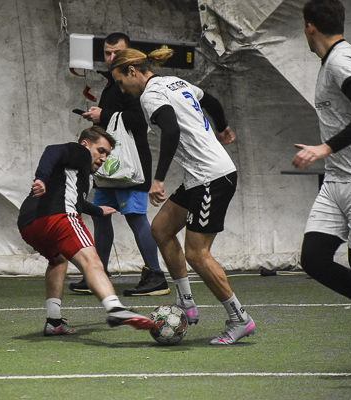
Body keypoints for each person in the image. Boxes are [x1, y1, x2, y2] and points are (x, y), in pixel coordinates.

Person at [109, 46, 256, 345]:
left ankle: (240, 318)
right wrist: (222, 128)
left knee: (197, 254)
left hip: (212, 178)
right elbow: (211, 101)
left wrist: (159, 178)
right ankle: (186, 302)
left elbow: (171, 130)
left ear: (132, 71)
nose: (122, 89)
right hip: (200, 177)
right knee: (161, 229)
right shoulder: (174, 82)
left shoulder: (150, 95)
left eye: (121, 82)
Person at [292, 0, 351, 376]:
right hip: (337, 180)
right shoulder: (333, 58)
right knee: (314, 258)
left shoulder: (341, 61)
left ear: (309, 27)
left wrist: (324, 147)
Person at [17, 125, 155, 336]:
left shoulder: (76, 174)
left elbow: (78, 202)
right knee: (92, 262)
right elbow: (53, 150)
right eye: (100, 150)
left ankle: (54, 322)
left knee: (58, 261)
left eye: (107, 154)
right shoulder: (80, 153)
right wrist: (41, 178)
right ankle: (115, 308)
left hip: (29, 225)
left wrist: (98, 210)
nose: (103, 158)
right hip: (57, 217)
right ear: (85, 144)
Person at [70, 33, 169, 297]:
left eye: (117, 53)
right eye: (107, 53)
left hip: (131, 165)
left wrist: (104, 114)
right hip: (110, 166)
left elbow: (140, 119)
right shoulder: (113, 83)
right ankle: (98, 273)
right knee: (100, 214)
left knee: (136, 217)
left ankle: (156, 275)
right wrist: (99, 118)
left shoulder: (136, 84)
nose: (112, 57)